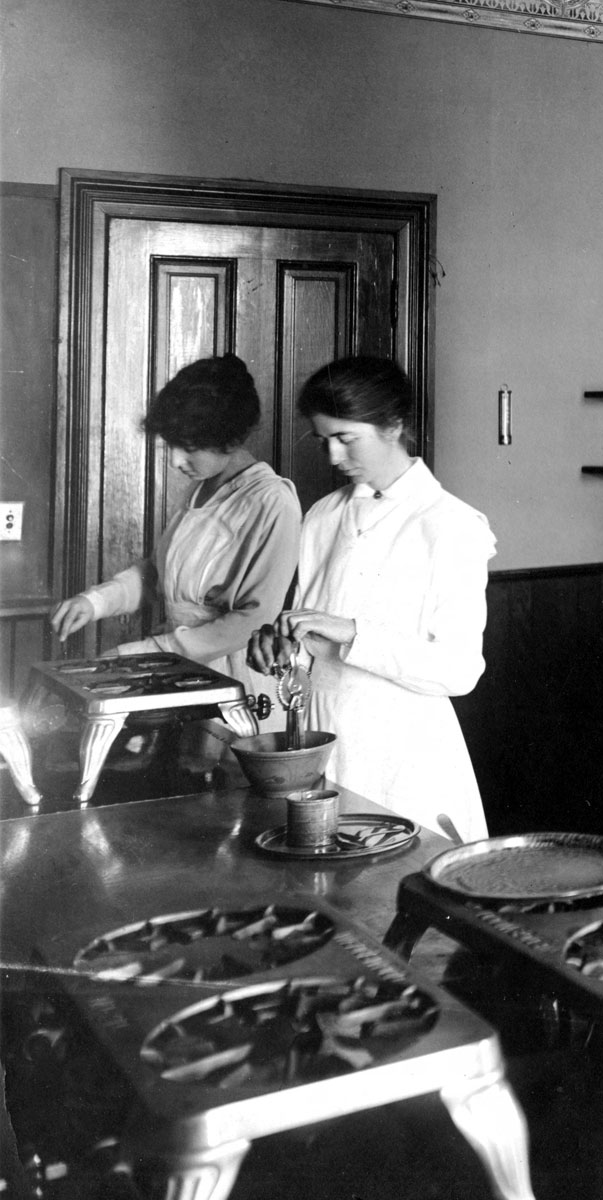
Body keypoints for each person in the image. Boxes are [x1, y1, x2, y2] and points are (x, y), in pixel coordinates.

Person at [246, 356, 495, 843]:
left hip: (405, 757)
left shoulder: (451, 525)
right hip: (321, 743)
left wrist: (352, 633)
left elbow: (460, 671)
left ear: (393, 426)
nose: (333, 456)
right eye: (324, 440)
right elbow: (309, 645)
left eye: (346, 438)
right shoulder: (324, 516)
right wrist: (282, 650)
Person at [50, 354, 300, 722]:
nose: (175, 461)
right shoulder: (201, 490)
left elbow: (254, 620)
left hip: (232, 679)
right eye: (171, 446)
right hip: (179, 669)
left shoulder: (272, 501)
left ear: (230, 439)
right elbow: (157, 573)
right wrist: (95, 602)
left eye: (189, 447)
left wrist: (148, 653)